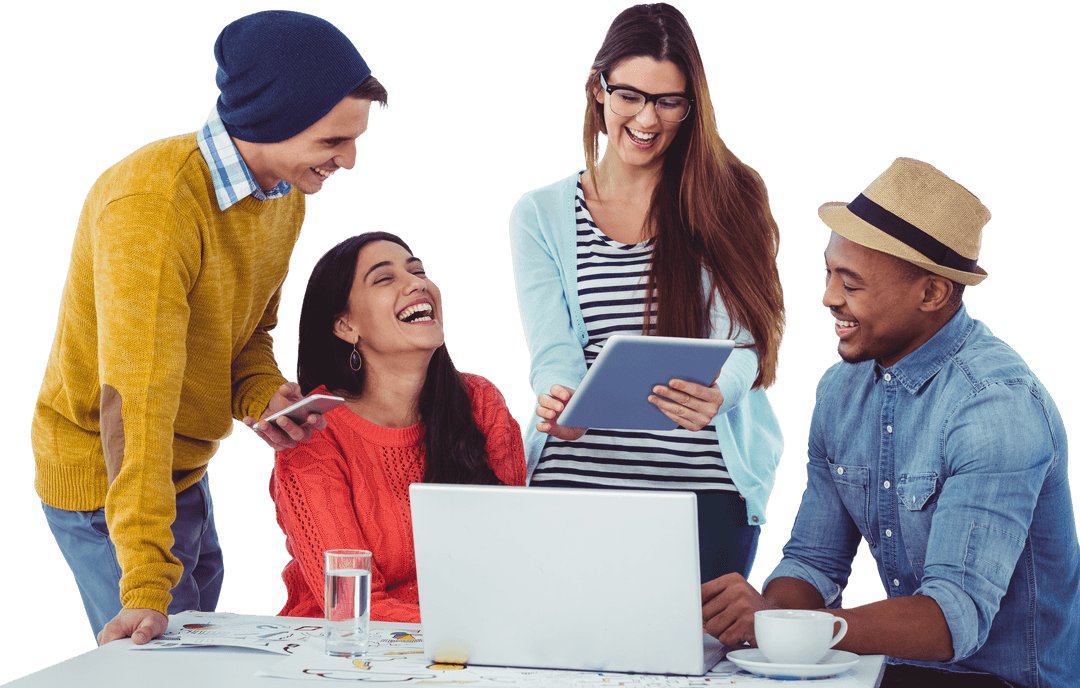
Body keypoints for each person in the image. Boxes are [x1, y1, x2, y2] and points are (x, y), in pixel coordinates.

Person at [32, 10, 388, 645]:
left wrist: (264, 396)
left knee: (205, 634)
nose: (351, 161)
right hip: (111, 481)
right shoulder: (154, 207)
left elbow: (245, 334)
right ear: (274, 121)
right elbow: (133, 405)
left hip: (181, 468)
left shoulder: (281, 196)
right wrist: (143, 582)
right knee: (165, 653)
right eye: (335, 142)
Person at [701, 157, 1079, 687]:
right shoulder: (841, 388)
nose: (829, 297)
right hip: (896, 672)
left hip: (1003, 680)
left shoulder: (996, 408)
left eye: (851, 283)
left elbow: (954, 619)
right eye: (828, 273)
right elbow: (812, 560)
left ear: (932, 294)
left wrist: (791, 628)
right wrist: (766, 615)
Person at [508, 2, 785, 581]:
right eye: (629, 95)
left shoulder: (728, 198)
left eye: (668, 101)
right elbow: (553, 351)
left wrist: (722, 394)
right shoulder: (540, 214)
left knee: (690, 669)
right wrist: (558, 398)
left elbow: (745, 339)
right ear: (598, 90)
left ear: (691, 106)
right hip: (573, 489)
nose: (647, 119)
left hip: (701, 499)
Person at [269, 232, 526, 623]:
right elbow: (350, 605)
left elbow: (513, 557)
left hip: (468, 643)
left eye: (418, 270)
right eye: (384, 278)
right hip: (346, 655)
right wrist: (472, 627)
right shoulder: (315, 431)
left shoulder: (480, 402)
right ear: (345, 325)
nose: (417, 283)